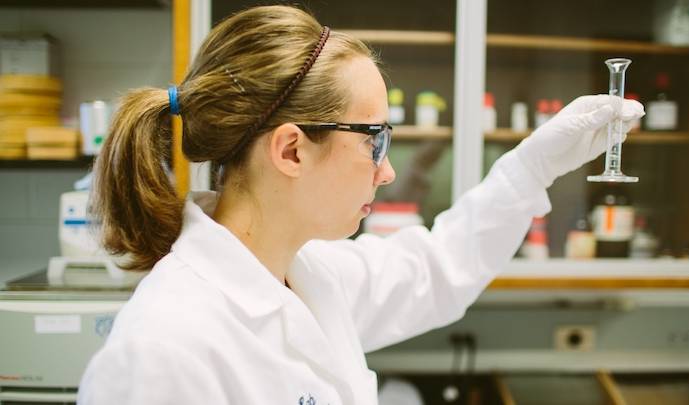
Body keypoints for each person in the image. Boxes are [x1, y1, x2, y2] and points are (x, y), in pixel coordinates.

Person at [77, 5, 644, 405]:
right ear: (292, 150)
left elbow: (436, 267)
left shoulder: (308, 274)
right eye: (373, 141)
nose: (388, 170)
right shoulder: (164, 350)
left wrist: (531, 167)